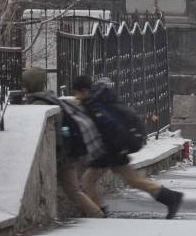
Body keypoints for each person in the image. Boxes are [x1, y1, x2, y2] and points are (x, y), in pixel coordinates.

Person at [72, 75, 184, 219]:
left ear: (84, 91)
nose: (76, 97)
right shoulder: (97, 101)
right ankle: (170, 197)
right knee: (133, 181)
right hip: (114, 149)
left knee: (89, 180)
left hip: (111, 150)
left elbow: (110, 128)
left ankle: (98, 212)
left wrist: (109, 150)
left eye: (77, 93)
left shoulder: (95, 105)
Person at [20, 67, 106, 218]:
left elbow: (57, 134)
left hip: (62, 157)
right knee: (76, 189)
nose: (21, 87)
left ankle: (98, 215)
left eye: (24, 84)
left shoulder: (40, 105)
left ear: (31, 84)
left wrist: (59, 157)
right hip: (67, 154)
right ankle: (97, 212)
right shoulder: (49, 99)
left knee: (74, 190)